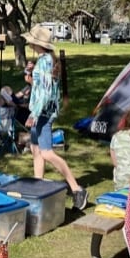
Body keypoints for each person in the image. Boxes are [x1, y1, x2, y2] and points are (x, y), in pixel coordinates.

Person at [23, 25, 89, 210]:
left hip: (42, 113)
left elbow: (44, 93)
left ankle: (77, 189)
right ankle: (39, 186)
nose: (27, 41)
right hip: (41, 112)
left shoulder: (45, 62)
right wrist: (28, 72)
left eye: (30, 39)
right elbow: (37, 84)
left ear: (36, 43)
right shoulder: (45, 60)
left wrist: (34, 114)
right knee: (36, 150)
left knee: (46, 152)